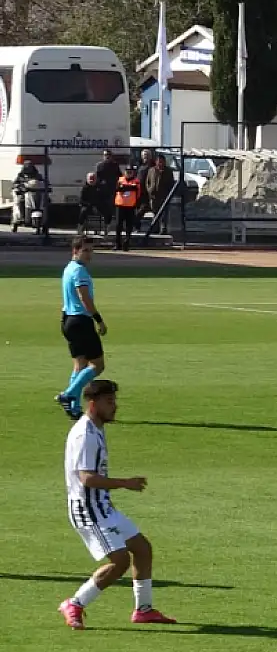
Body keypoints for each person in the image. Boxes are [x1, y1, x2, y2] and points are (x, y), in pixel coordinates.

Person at [57, 380, 176, 630]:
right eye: (109, 402)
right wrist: (125, 483)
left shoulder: (96, 427)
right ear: (93, 404)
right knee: (119, 561)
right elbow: (86, 478)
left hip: (102, 506)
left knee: (142, 549)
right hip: (89, 509)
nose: (115, 407)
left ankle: (143, 610)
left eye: (114, 401)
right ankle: (75, 603)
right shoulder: (84, 434)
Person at [55, 237, 107, 418]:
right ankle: (68, 394)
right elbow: (84, 298)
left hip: (68, 321)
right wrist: (98, 319)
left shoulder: (68, 269)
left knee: (80, 364)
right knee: (98, 365)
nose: (89, 255)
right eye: (85, 251)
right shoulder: (79, 272)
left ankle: (74, 407)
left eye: (91, 251)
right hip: (80, 321)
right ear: (75, 251)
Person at [142, 154, 175, 235]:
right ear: (156, 162)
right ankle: (155, 228)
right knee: (155, 212)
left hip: (164, 196)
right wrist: (149, 190)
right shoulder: (151, 170)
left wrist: (168, 193)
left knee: (164, 214)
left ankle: (163, 229)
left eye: (162, 161)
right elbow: (148, 182)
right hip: (153, 196)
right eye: (158, 161)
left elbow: (171, 183)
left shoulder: (168, 171)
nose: (160, 163)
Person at [112, 166, 141, 251]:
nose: (129, 173)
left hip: (131, 206)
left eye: (130, 171)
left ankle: (126, 243)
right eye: (127, 171)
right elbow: (118, 189)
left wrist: (124, 187)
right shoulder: (120, 179)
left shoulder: (136, 181)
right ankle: (117, 244)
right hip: (120, 205)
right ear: (124, 172)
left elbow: (136, 189)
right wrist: (129, 187)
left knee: (129, 226)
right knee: (118, 226)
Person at [78, 173, 107, 237]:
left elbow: (103, 198)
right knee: (83, 211)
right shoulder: (85, 188)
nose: (92, 180)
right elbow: (81, 200)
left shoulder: (100, 187)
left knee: (107, 211)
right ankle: (80, 230)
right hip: (88, 206)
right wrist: (90, 205)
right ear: (87, 179)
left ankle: (106, 230)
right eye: (90, 179)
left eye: (93, 179)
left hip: (98, 206)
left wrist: (97, 205)